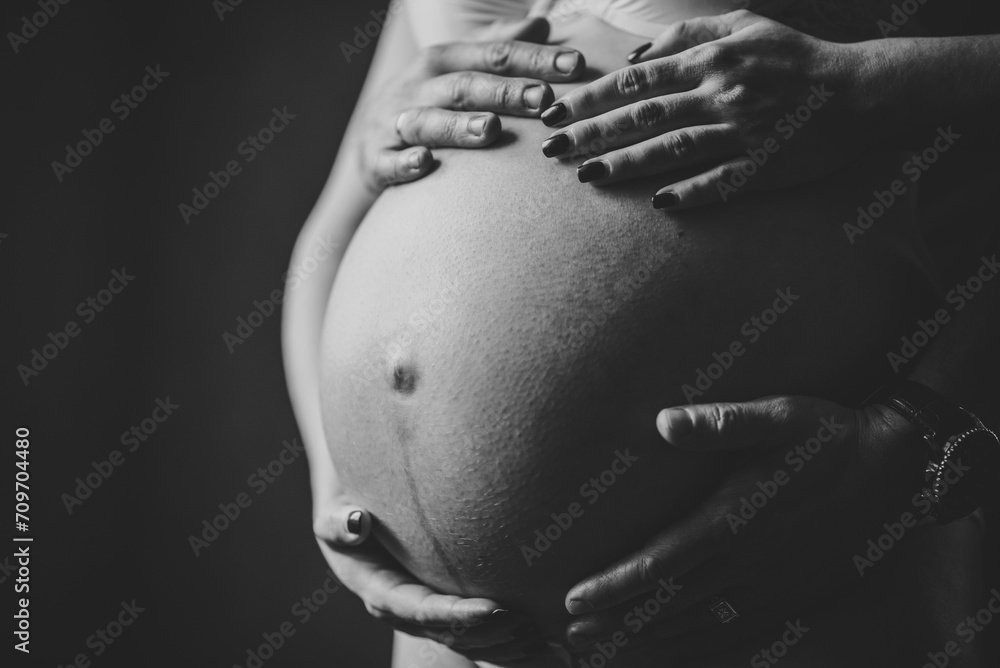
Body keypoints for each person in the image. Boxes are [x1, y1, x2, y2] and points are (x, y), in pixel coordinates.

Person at [283, 1, 999, 665]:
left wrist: (920, 429)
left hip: (775, 562)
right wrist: (338, 483)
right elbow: (337, 217)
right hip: (446, 628)